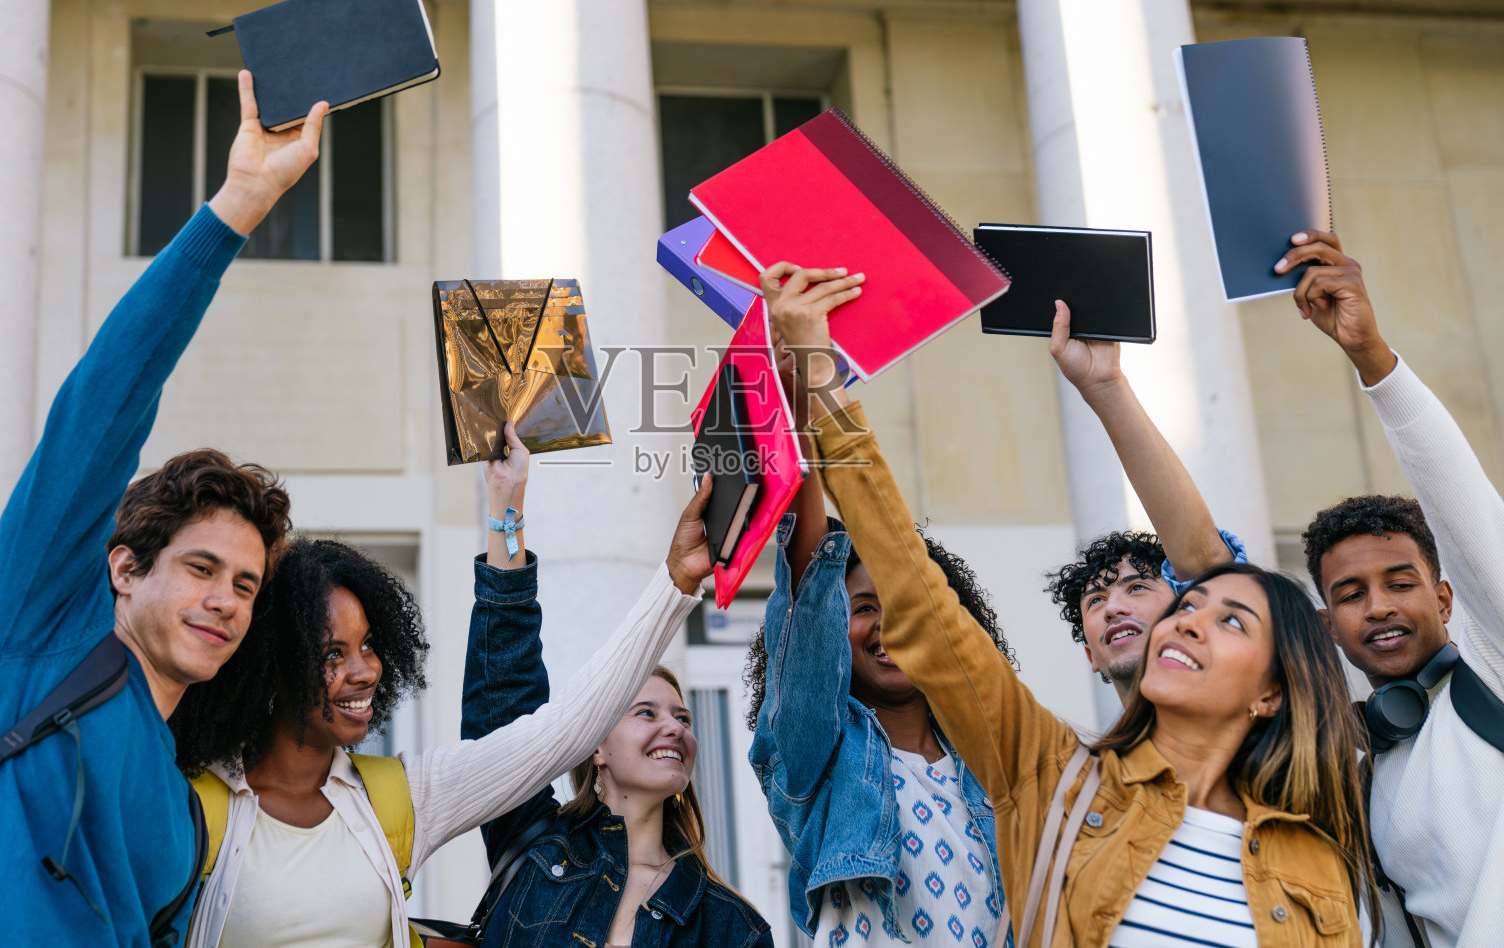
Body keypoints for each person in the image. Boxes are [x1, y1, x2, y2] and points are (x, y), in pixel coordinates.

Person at [765, 261, 1375, 947]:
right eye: (1190, 606)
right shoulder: (1049, 775)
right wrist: (818, 381)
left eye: (1230, 619)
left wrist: (1110, 386)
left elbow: (1205, 555)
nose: (1189, 620)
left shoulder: (1317, 855)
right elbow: (917, 591)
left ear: (1271, 692)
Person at [0, 72, 317, 946]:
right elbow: (102, 405)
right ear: (124, 568)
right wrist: (236, 209)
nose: (226, 600)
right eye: (203, 568)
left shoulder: (183, 817)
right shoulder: (39, 631)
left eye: (245, 584)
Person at [170, 423, 717, 948]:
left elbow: (561, 732)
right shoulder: (194, 801)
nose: (366, 670)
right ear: (273, 669)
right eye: (333, 654)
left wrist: (676, 582)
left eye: (369, 646)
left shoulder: (401, 797)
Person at [742, 341, 1017, 944]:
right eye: (864, 609)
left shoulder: (993, 759)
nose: (889, 626)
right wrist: (800, 412)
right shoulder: (821, 761)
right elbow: (811, 595)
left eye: (906, 608)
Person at [1278, 229, 1504, 947]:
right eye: (1351, 594)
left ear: (1445, 598)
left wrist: (1369, 354)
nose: (1377, 604)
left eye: (1400, 582)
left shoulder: (1491, 663)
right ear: (1328, 624)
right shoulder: (1362, 770)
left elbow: (1460, 501)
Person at [461, 436, 772, 948]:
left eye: (683, 718)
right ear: (596, 747)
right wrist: (506, 502)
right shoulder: (534, 844)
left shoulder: (731, 927)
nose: (674, 726)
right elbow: (503, 698)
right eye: (645, 712)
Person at [1042, 300, 1246, 690]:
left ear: (1188, 609)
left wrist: (1104, 386)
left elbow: (1204, 565)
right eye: (1096, 601)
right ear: (1090, 656)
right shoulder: (1077, 754)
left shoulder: (1251, 737)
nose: (1114, 608)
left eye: (1137, 587)